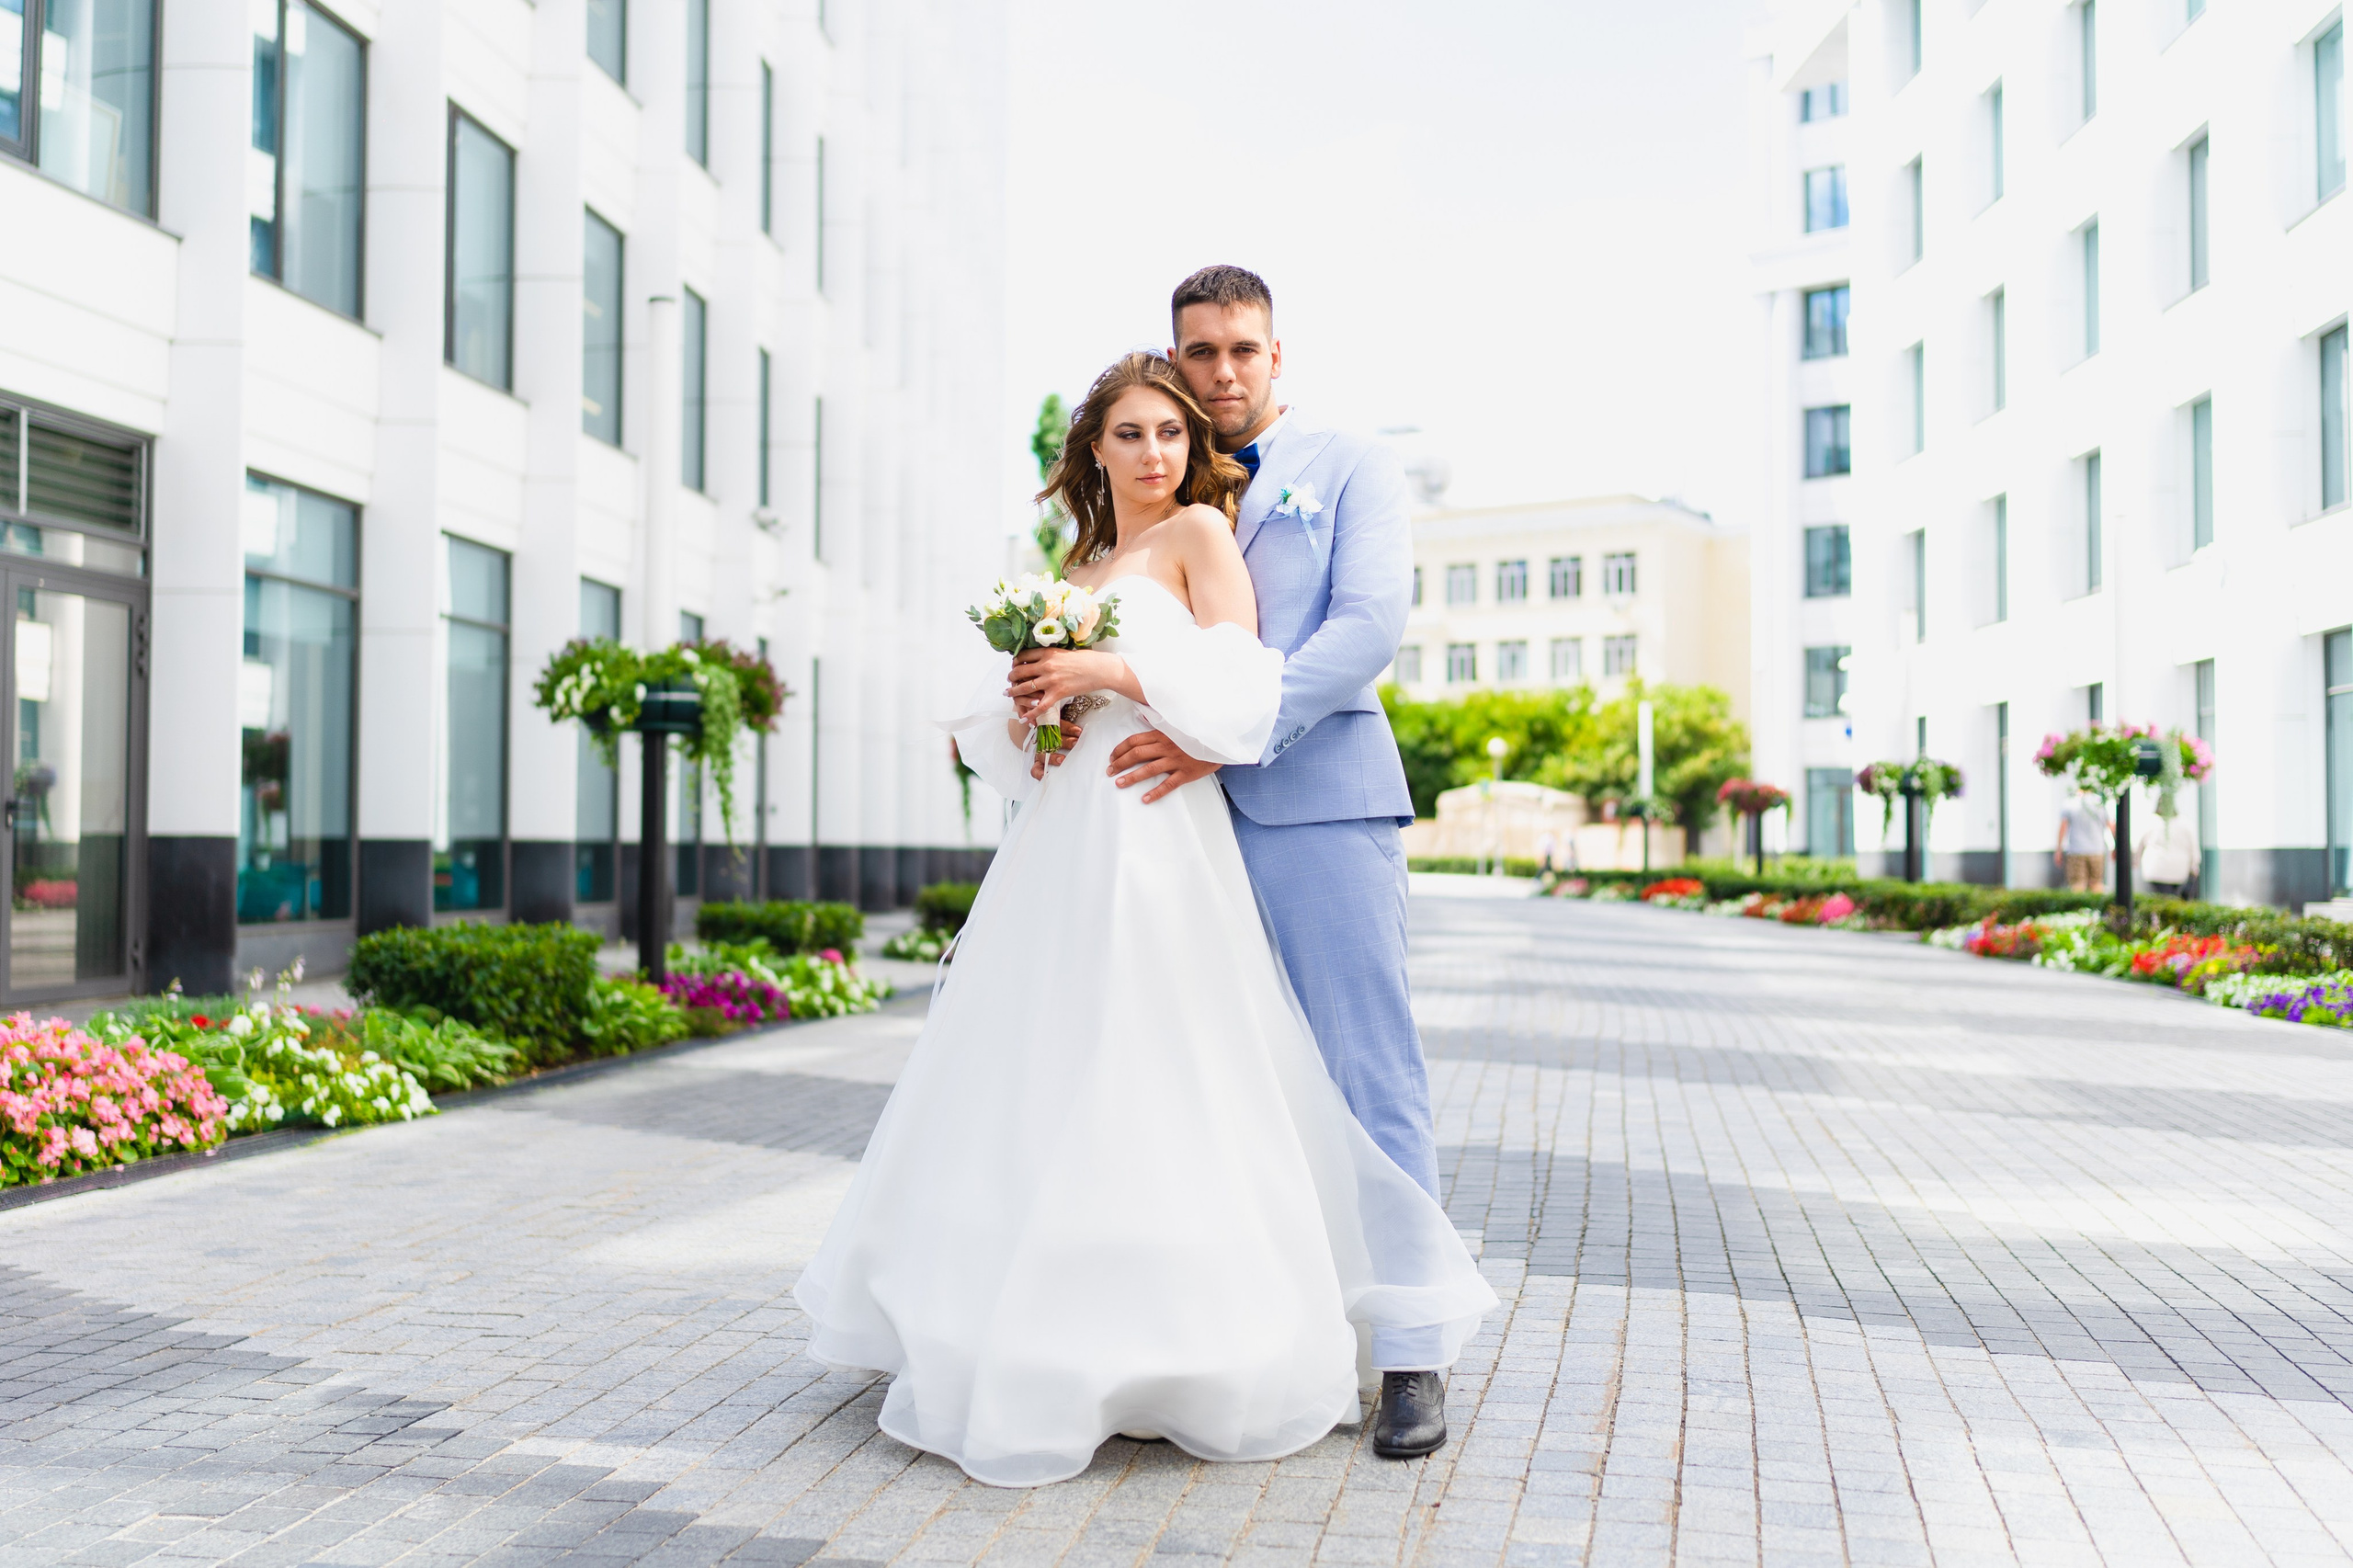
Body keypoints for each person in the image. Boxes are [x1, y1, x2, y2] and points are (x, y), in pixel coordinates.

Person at [791, 351, 1495, 1489]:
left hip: (1159, 826)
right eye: (1132, 433)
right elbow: (1027, 742)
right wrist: (1043, 706)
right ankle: (1038, 1318)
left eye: (1172, 433)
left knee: (1166, 1056)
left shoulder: (1201, 541)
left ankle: (1226, 1337)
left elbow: (1245, 682)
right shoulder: (1080, 561)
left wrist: (1108, 663)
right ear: (1095, 450)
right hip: (1070, 834)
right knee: (1042, 1064)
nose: (1157, 452)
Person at [1070, 266, 1463, 1459]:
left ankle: (1410, 1350)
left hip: (1315, 808)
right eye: (1201, 352)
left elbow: (1364, 629)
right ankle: (1253, 1336)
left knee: (1361, 1068)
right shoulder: (1159, 491)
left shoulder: (1346, 467)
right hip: (1170, 831)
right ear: (1175, 360)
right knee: (1210, 1083)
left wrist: (1222, 728)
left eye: (1243, 349)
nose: (1223, 371)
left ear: (1276, 356)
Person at [2055, 790, 2111, 892]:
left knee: (2077, 885)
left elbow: (2063, 827)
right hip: (2097, 850)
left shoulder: (2070, 802)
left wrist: (2058, 849)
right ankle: (2097, 908)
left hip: (2076, 850)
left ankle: (2078, 908)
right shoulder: (2099, 801)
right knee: (2097, 884)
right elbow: (2110, 825)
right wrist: (2116, 846)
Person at [2138, 808, 2200, 899]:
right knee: (2172, 899)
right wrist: (2195, 864)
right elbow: (2194, 847)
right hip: (2179, 870)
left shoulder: (2151, 821)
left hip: (2156, 870)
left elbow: (2140, 844)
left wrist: (2136, 860)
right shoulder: (2185, 822)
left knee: (2163, 900)